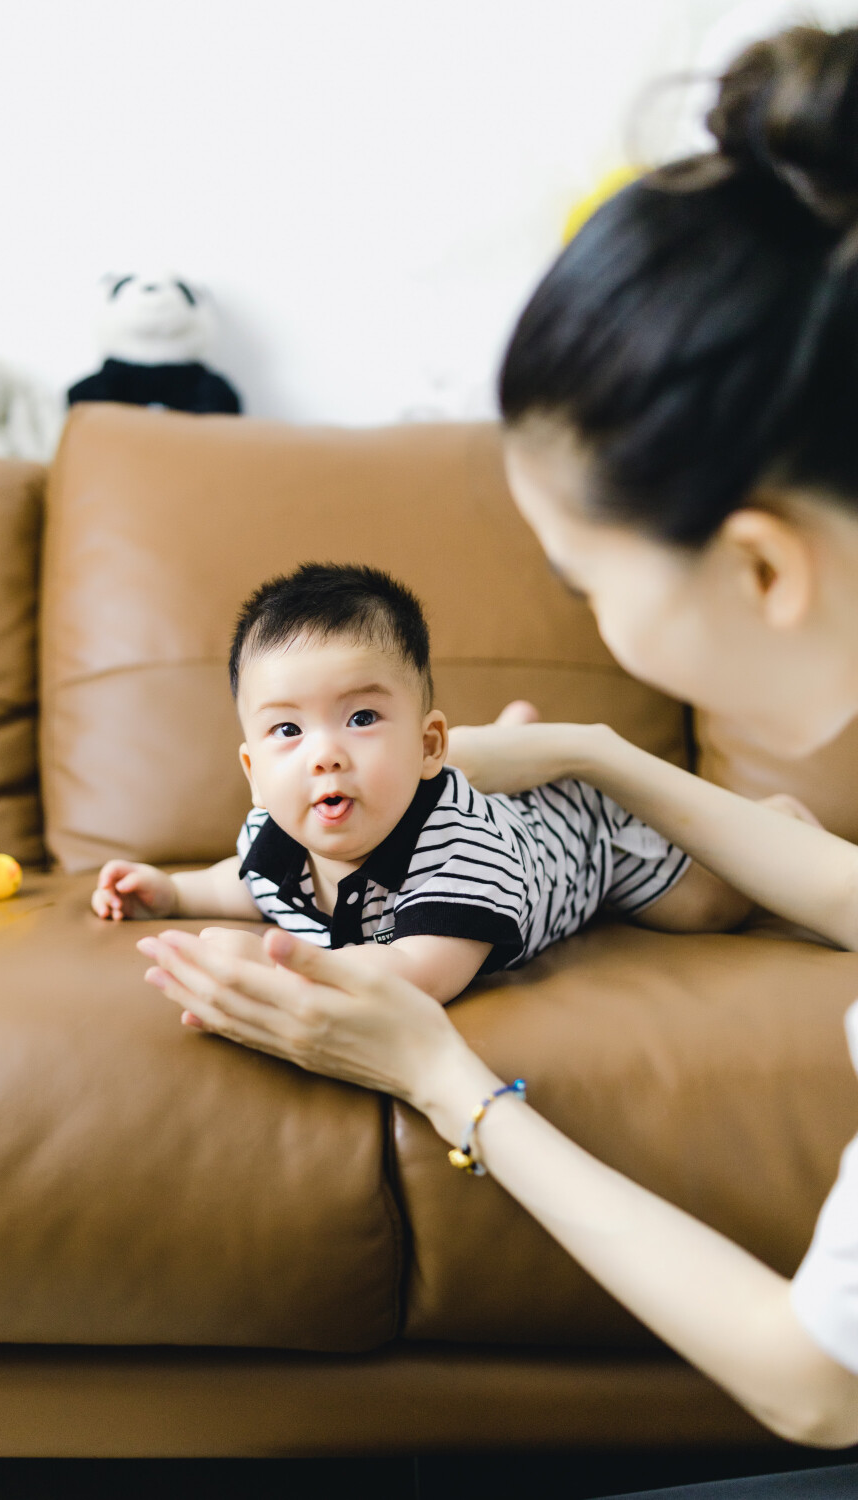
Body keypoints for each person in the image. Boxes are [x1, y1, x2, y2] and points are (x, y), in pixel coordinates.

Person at [136, 23, 858, 1492]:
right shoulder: (297, 834)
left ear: (763, 571)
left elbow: (816, 1388)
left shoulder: (459, 855)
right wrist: (599, 746)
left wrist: (446, 1082)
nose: (595, 622)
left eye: (589, 581)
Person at [95, 561, 755, 1005]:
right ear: (255, 777)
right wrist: (171, 890)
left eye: (360, 718)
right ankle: (511, 734)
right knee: (474, 790)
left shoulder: (457, 853)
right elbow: (240, 881)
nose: (323, 755)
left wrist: (272, 964)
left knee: (710, 909)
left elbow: (414, 974)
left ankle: (770, 813)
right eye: (288, 732)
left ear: (428, 744)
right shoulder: (275, 833)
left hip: (586, 837)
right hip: (489, 809)